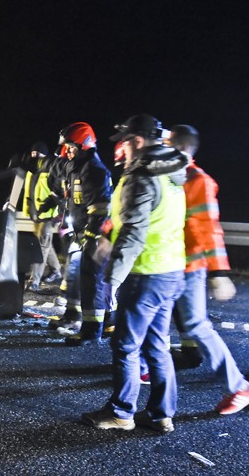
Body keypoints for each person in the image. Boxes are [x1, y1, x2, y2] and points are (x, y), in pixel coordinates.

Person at [82, 114, 189, 434]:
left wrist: (113, 278)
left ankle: (121, 412)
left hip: (144, 273)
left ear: (137, 142)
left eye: (124, 143)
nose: (122, 150)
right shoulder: (172, 172)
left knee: (126, 346)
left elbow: (135, 232)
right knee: (157, 345)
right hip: (170, 270)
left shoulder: (141, 176)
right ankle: (161, 414)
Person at [167, 124, 249, 415]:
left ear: (179, 147)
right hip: (166, 264)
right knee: (151, 317)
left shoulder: (198, 181)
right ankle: (152, 367)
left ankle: (240, 387)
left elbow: (209, 229)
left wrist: (219, 273)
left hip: (189, 266)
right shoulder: (171, 177)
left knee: (196, 325)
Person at [41, 122, 112, 344]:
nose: (67, 152)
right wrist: (36, 161)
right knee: (74, 279)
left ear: (84, 145)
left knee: (94, 285)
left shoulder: (94, 170)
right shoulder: (77, 167)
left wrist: (91, 237)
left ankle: (93, 331)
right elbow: (56, 168)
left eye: (71, 147)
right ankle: (74, 317)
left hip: (93, 237)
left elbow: (100, 209)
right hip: (79, 235)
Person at [21, 141, 62, 291]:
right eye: (32, 153)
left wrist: (51, 207)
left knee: (41, 248)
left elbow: (58, 194)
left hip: (48, 216)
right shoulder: (32, 171)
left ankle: (34, 281)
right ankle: (56, 271)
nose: (34, 156)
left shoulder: (51, 171)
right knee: (46, 244)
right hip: (36, 214)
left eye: (37, 154)